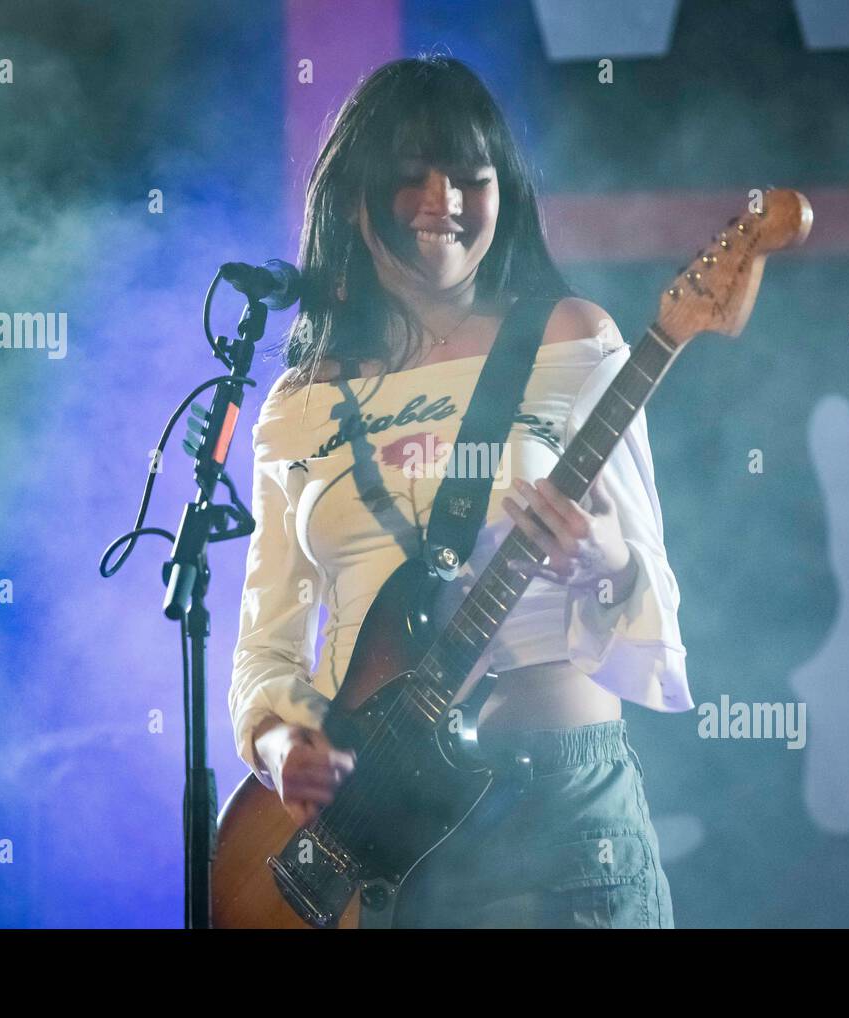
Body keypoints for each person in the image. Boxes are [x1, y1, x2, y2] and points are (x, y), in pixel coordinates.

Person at [228, 53, 692, 928]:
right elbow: (266, 646)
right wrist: (280, 742)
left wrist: (605, 558)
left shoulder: (572, 338)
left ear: (502, 194)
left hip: (554, 815)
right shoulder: (298, 404)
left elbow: (655, 590)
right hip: (376, 842)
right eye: (412, 177)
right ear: (356, 198)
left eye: (470, 178)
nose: (442, 200)